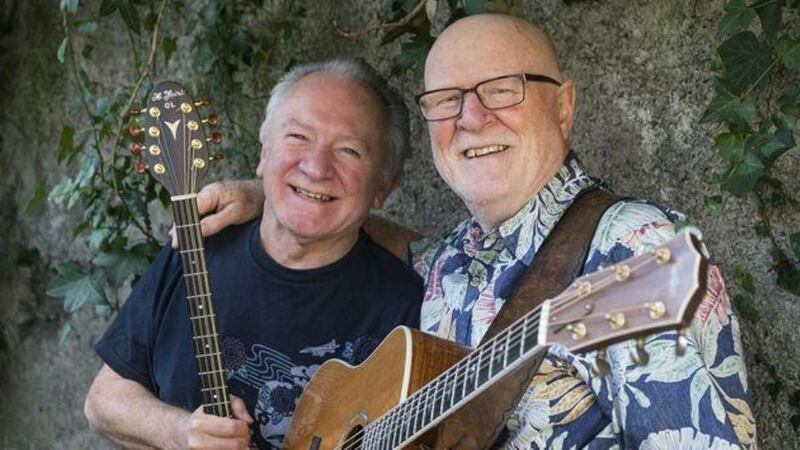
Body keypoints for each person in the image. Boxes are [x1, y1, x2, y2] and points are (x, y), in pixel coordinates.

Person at [193, 14, 757, 449]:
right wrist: (273, 195)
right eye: (447, 100)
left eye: (503, 89)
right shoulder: (449, 261)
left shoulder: (634, 247)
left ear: (564, 107)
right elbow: (370, 233)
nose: (471, 117)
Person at [83, 59, 424, 450]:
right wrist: (181, 431)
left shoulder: (412, 307)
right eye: (298, 136)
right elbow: (103, 401)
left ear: (384, 185)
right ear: (264, 153)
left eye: (349, 150)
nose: (316, 168)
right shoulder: (198, 247)